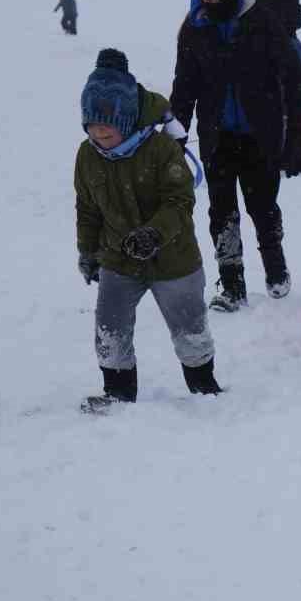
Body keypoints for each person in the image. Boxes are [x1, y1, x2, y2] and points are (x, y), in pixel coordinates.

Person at [74, 48, 220, 407]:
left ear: (125, 119)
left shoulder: (159, 150)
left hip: (173, 259)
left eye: (107, 122)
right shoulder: (87, 155)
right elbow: (88, 207)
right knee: (109, 326)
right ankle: (119, 393)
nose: (98, 130)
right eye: (92, 122)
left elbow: (180, 202)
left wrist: (153, 234)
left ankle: (205, 390)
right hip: (118, 259)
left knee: (190, 328)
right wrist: (88, 250)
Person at [171, 0, 301, 312]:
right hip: (217, 135)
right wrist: (175, 135)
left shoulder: (261, 22)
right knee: (221, 211)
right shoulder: (194, 28)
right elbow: (185, 86)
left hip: (259, 133)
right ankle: (231, 283)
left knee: (262, 206)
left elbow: (293, 79)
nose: (213, 3)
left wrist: (296, 136)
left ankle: (275, 267)